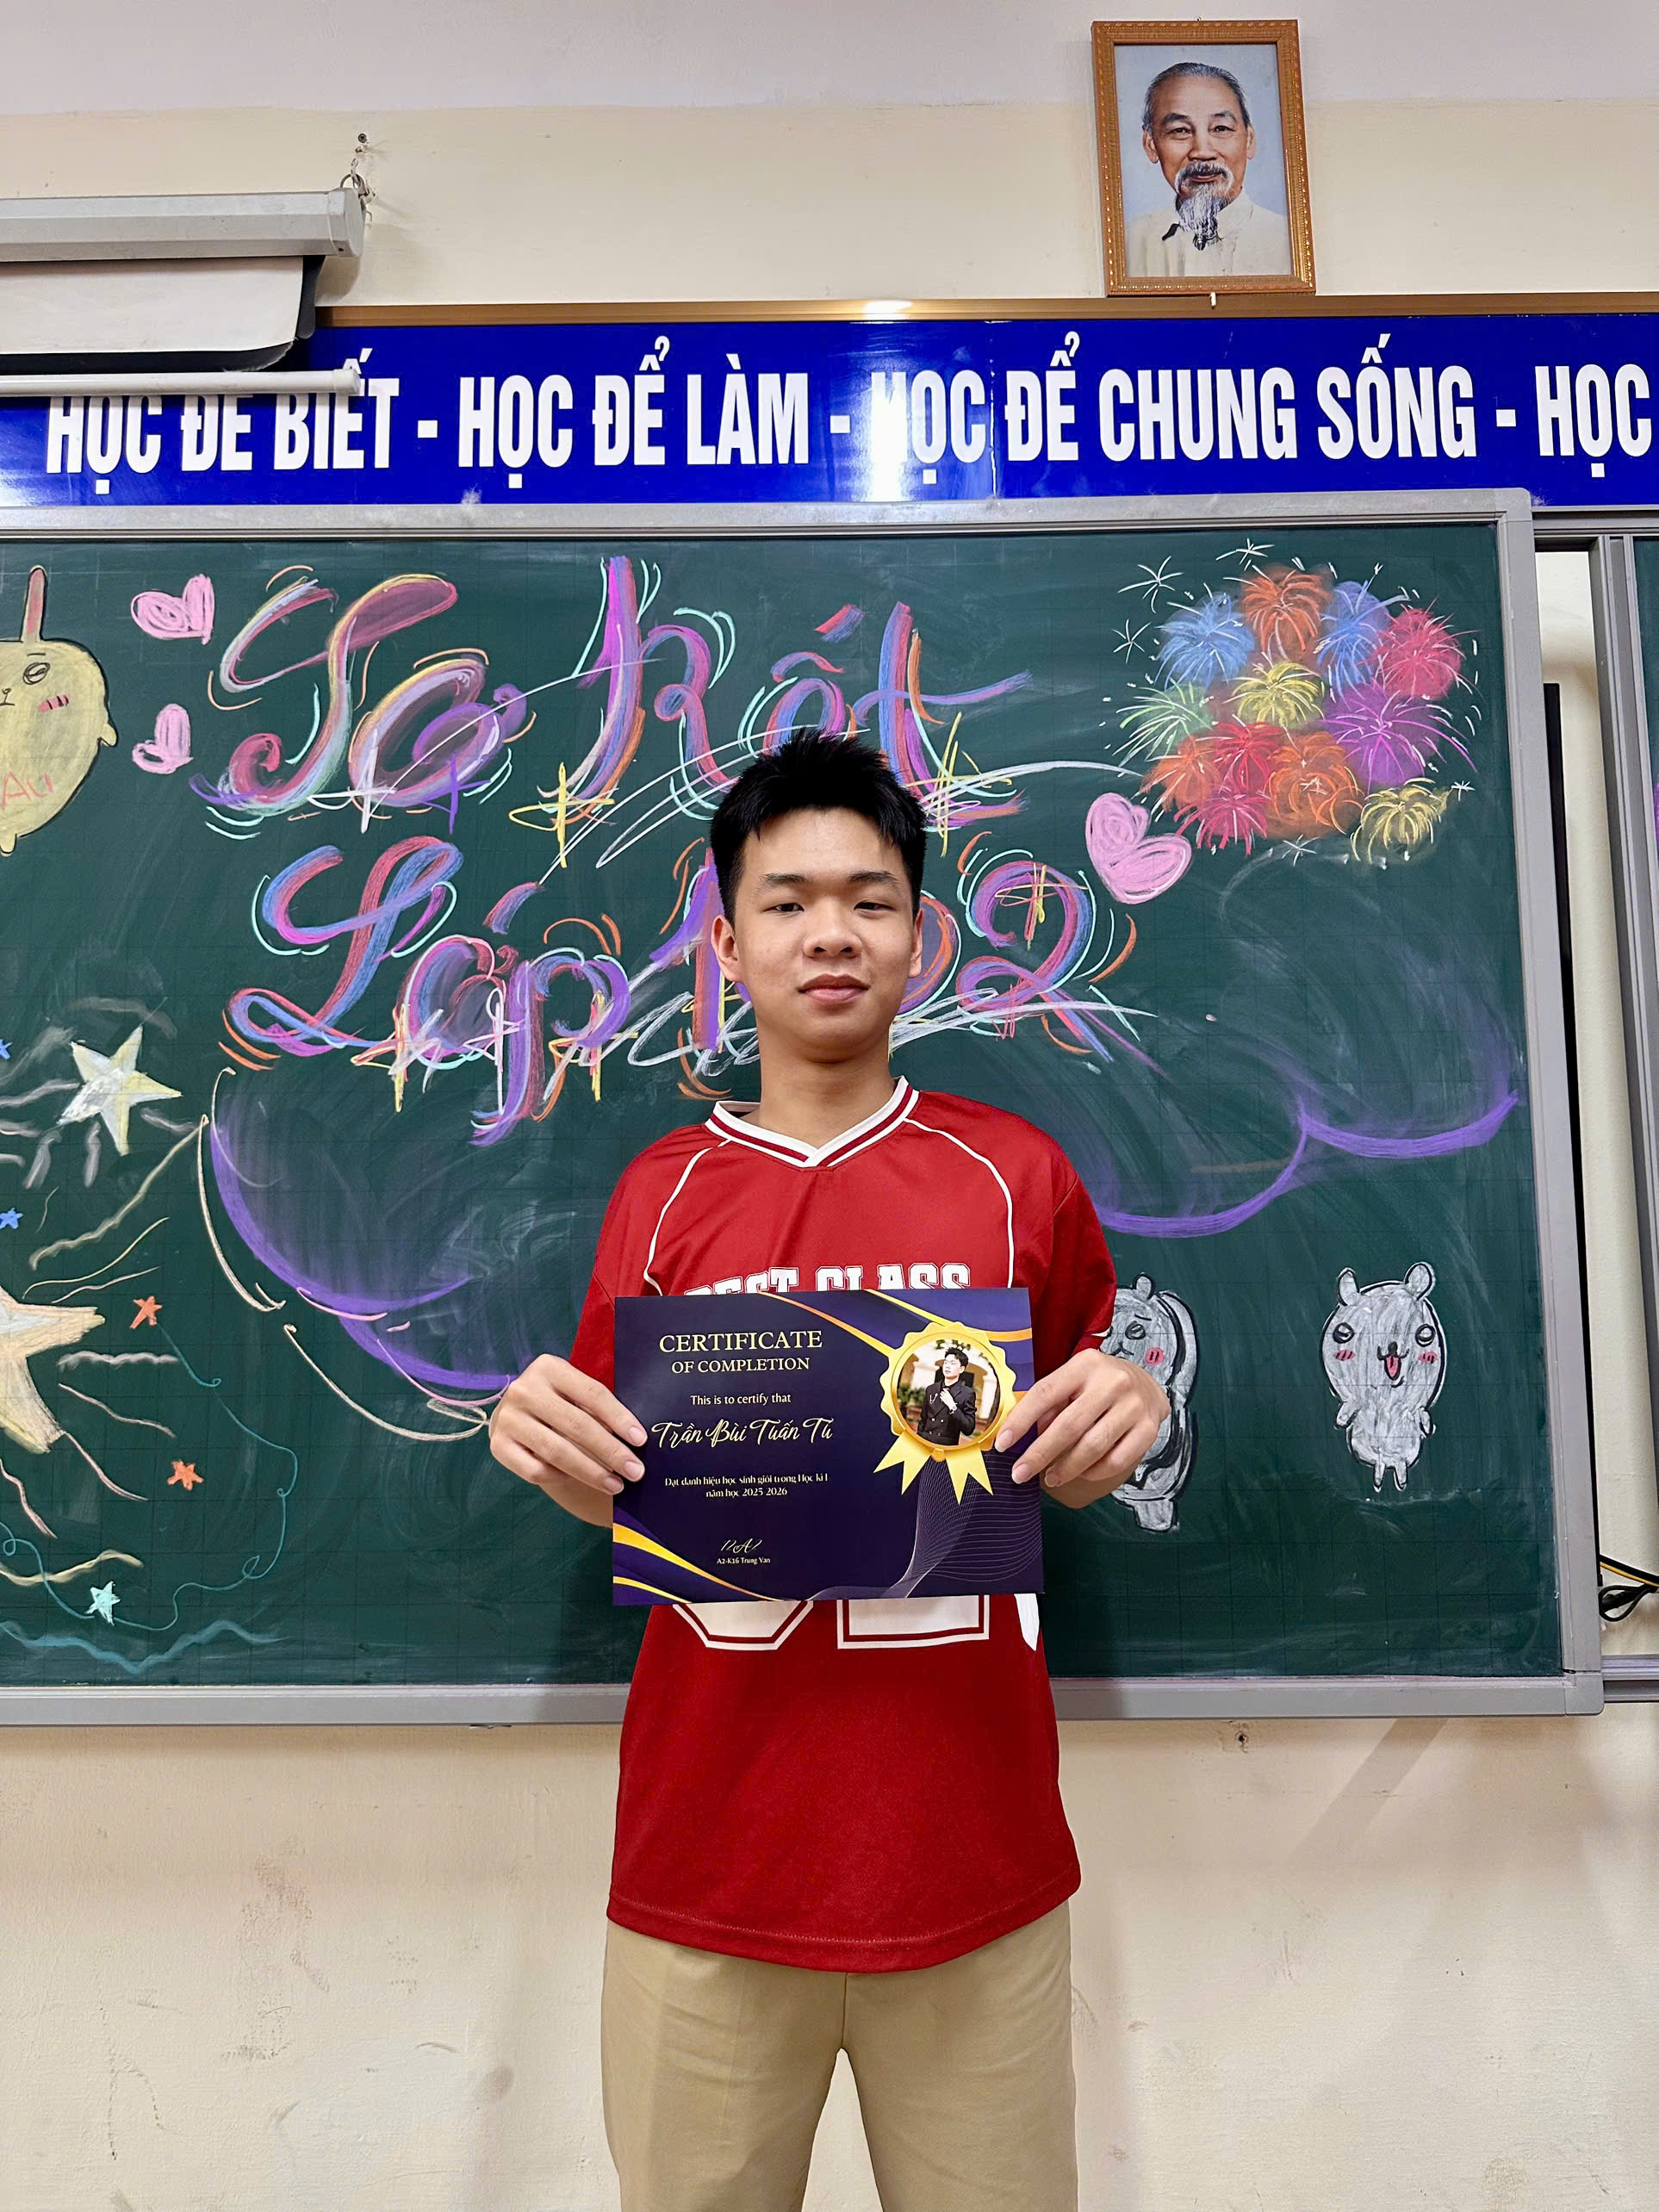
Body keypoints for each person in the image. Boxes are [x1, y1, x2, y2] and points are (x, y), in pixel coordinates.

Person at [488, 731, 1168, 2212]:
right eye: (786, 901)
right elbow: (620, 1481)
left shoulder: (1016, 1177)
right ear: (726, 944)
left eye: (870, 899)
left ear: (922, 936)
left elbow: (1071, 1459)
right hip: (708, 1866)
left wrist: (1130, 1410)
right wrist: (547, 1448)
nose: (831, 933)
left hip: (972, 1859)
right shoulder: (660, 1192)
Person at [1125, 59, 1294, 281]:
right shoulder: (1129, 243)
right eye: (1180, 130)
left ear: (1249, 140)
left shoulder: (1290, 242)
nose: (1202, 152)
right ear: (1150, 144)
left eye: (1221, 128)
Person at [915, 1346, 980, 1448]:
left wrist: (953, 1407)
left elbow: (969, 1429)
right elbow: (923, 1419)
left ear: (961, 1369)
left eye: (953, 1363)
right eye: (946, 1362)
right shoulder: (931, 1389)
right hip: (924, 1442)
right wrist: (919, 1440)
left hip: (946, 1447)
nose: (947, 1366)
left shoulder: (967, 1394)